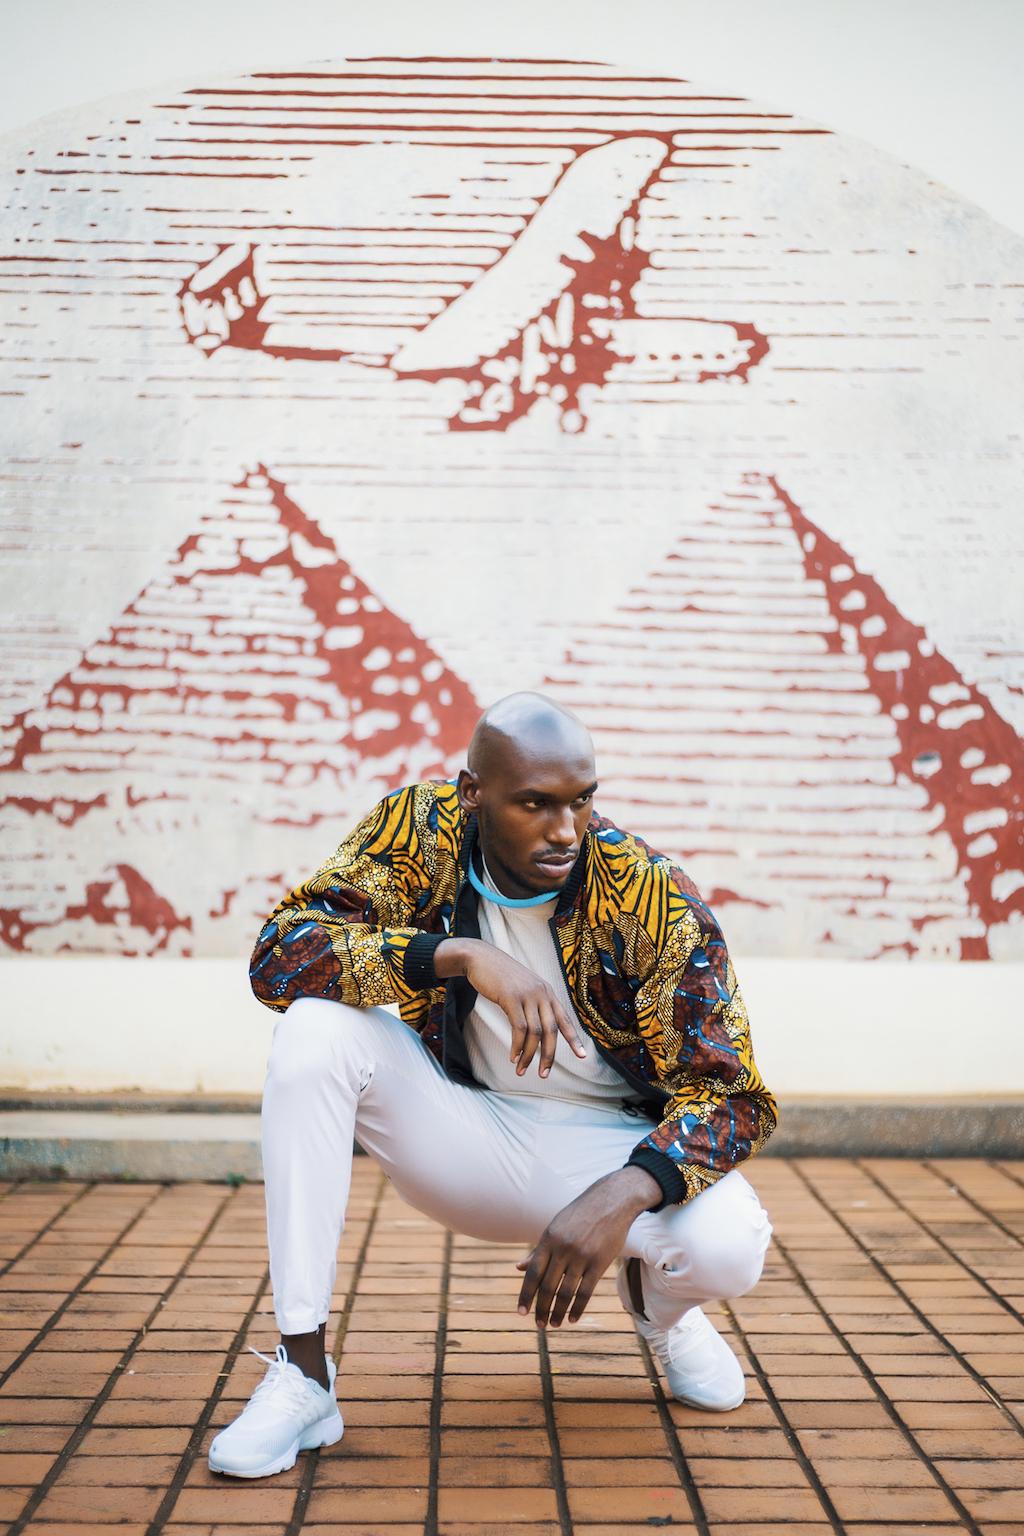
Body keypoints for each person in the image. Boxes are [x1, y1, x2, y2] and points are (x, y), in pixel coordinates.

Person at [208, 693, 778, 1479]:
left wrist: (625, 1192)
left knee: (730, 1246)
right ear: (473, 793)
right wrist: (458, 956)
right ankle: (303, 1376)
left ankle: (662, 1307)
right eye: (535, 804)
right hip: (462, 1131)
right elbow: (281, 954)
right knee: (314, 1029)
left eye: (581, 801)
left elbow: (734, 1096)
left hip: (609, 1149)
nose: (566, 830)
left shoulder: (648, 896)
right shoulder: (421, 831)